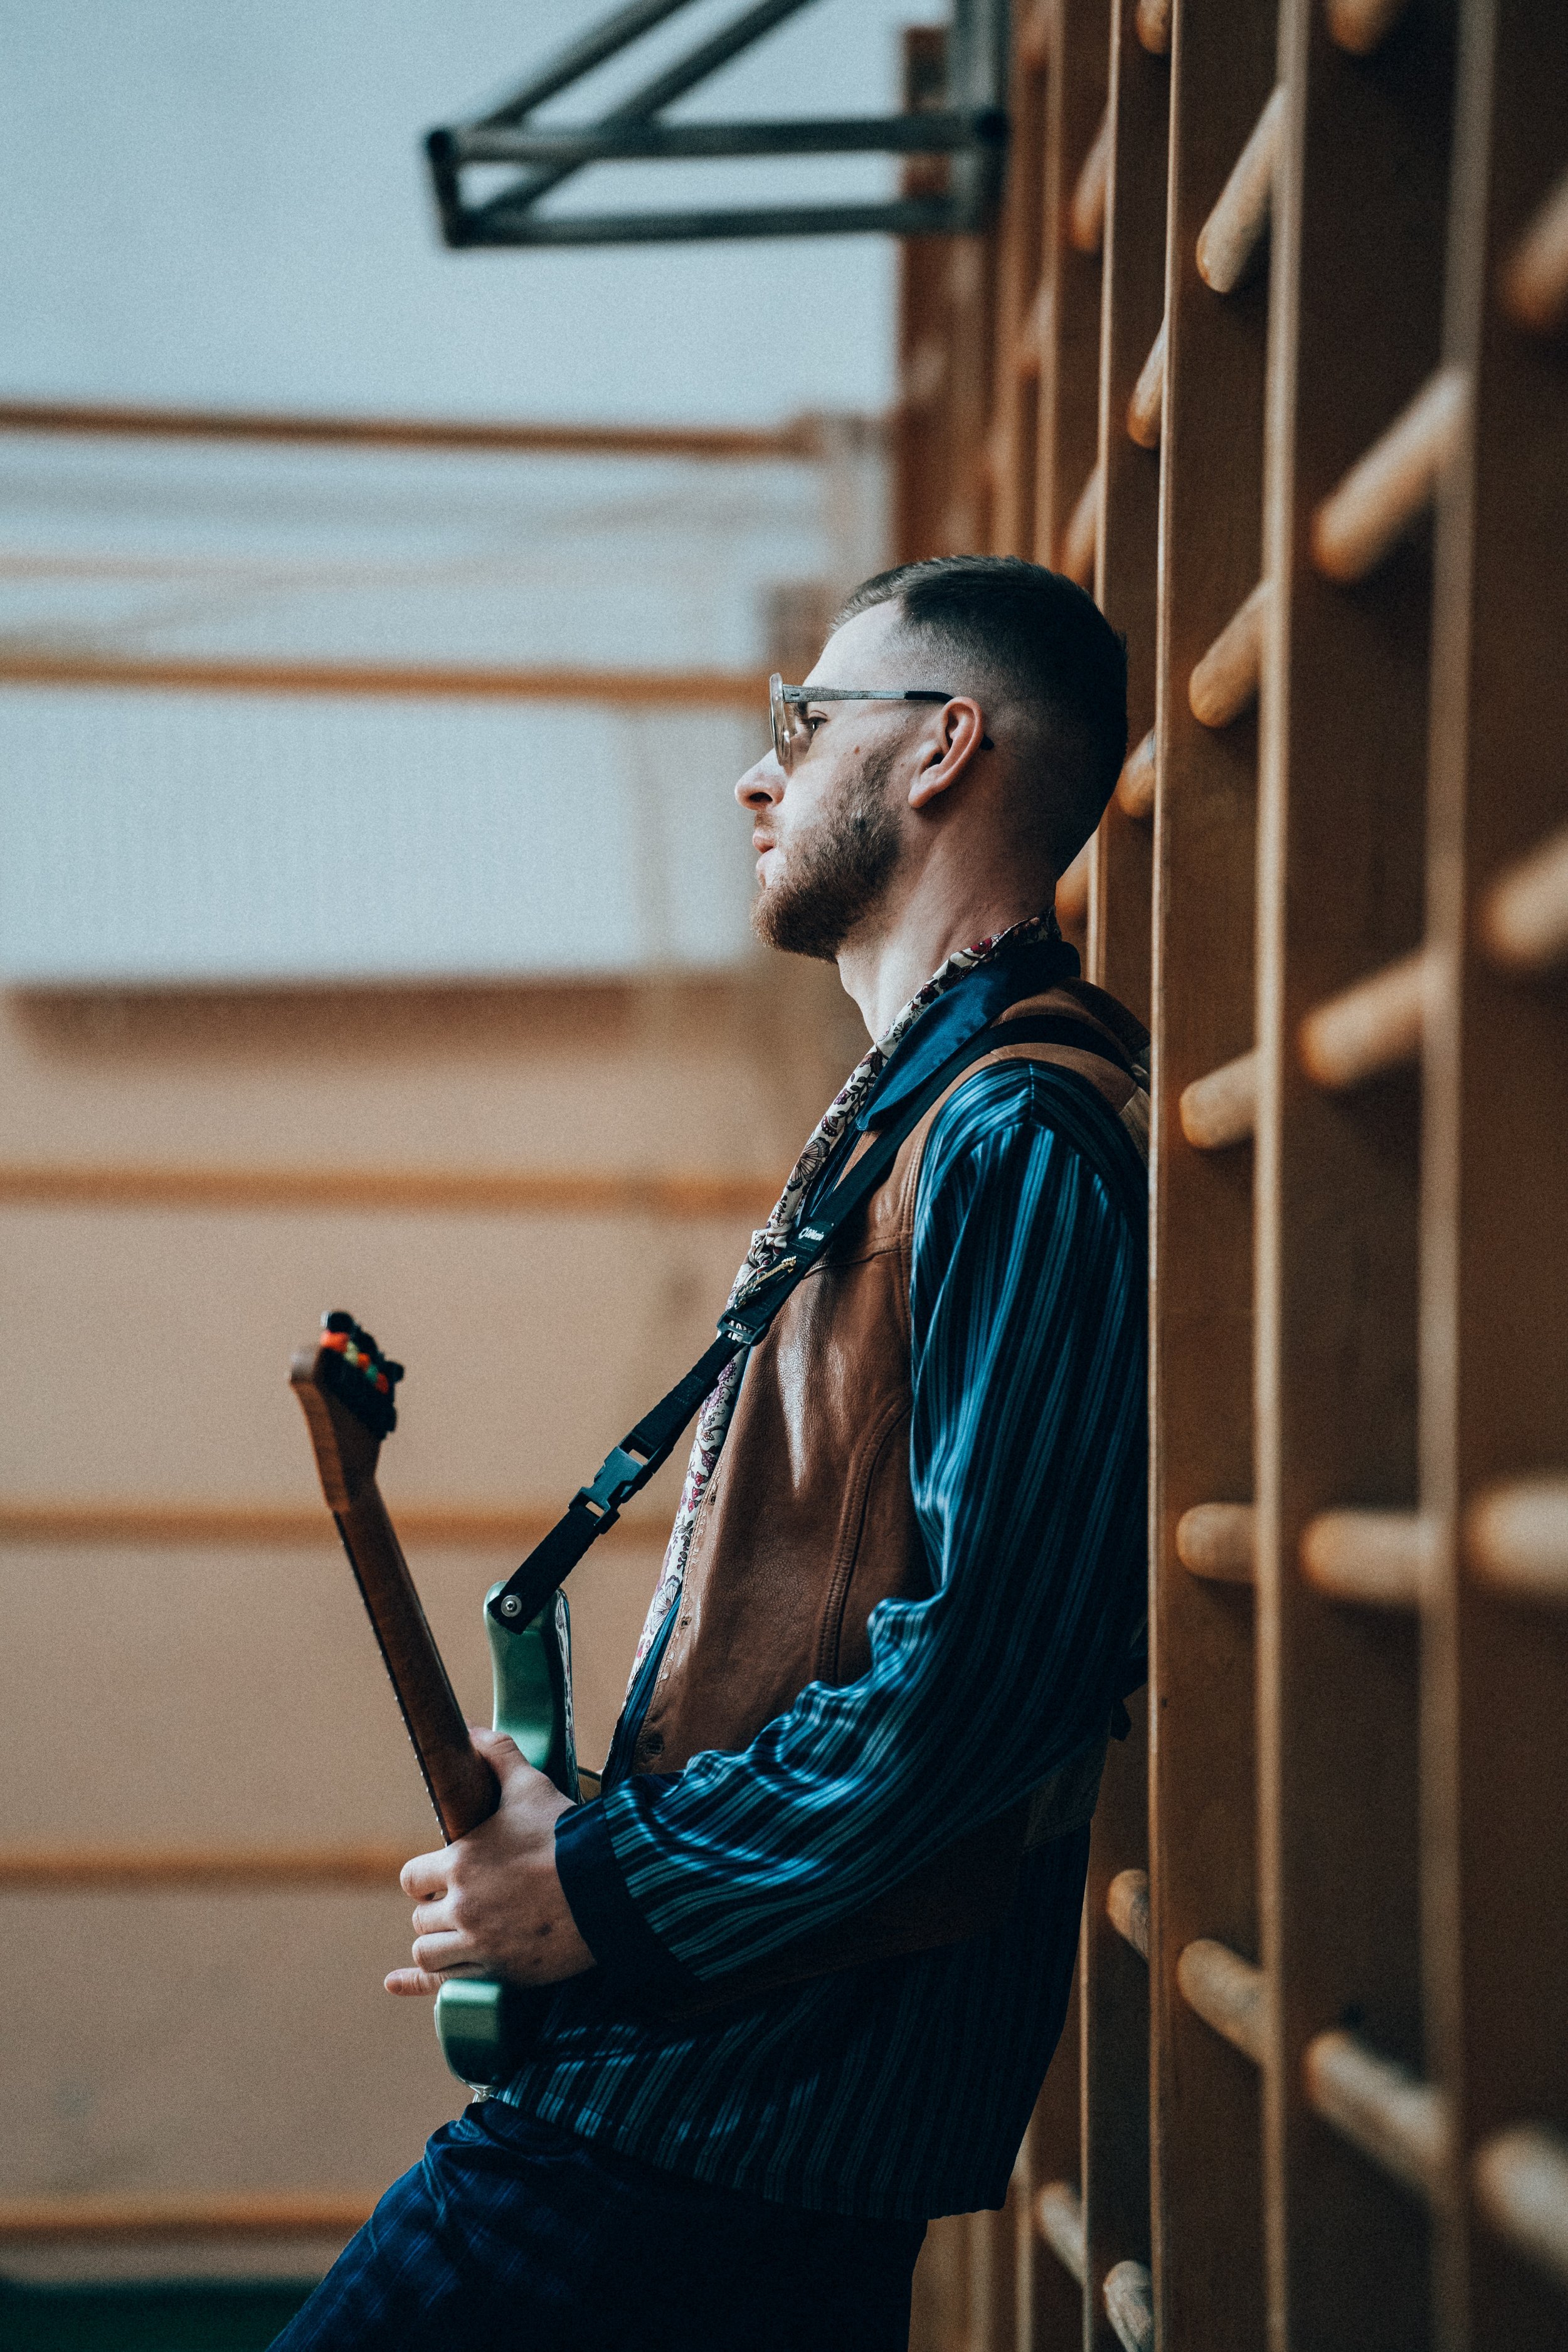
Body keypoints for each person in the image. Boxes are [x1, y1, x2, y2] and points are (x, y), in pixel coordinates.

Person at [272, 554, 1148, 2352]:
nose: (759, 776)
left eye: (800, 726)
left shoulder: (1012, 1130)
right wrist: (580, 1869)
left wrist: (593, 1895)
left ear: (939, 751)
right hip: (731, 2086)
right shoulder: (930, 1105)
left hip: (726, 2106)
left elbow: (982, 1679)